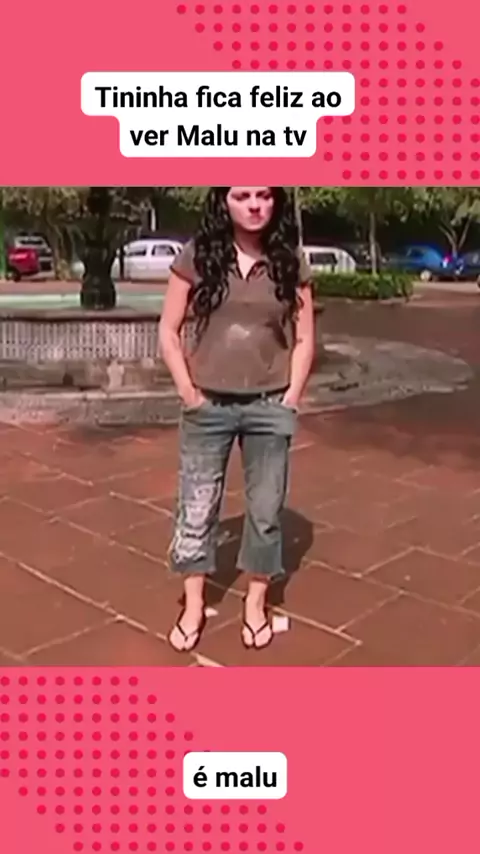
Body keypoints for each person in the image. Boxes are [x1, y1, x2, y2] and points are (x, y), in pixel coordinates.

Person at [159, 186, 314, 653]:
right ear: (223, 200)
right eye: (242, 195)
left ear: (275, 200)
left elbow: (305, 338)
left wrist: (291, 397)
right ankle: (193, 604)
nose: (254, 205)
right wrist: (188, 392)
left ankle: (256, 602)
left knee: (265, 511)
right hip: (208, 407)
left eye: (263, 194)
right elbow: (168, 329)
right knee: (197, 508)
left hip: (269, 407)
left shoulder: (290, 260)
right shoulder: (199, 255)